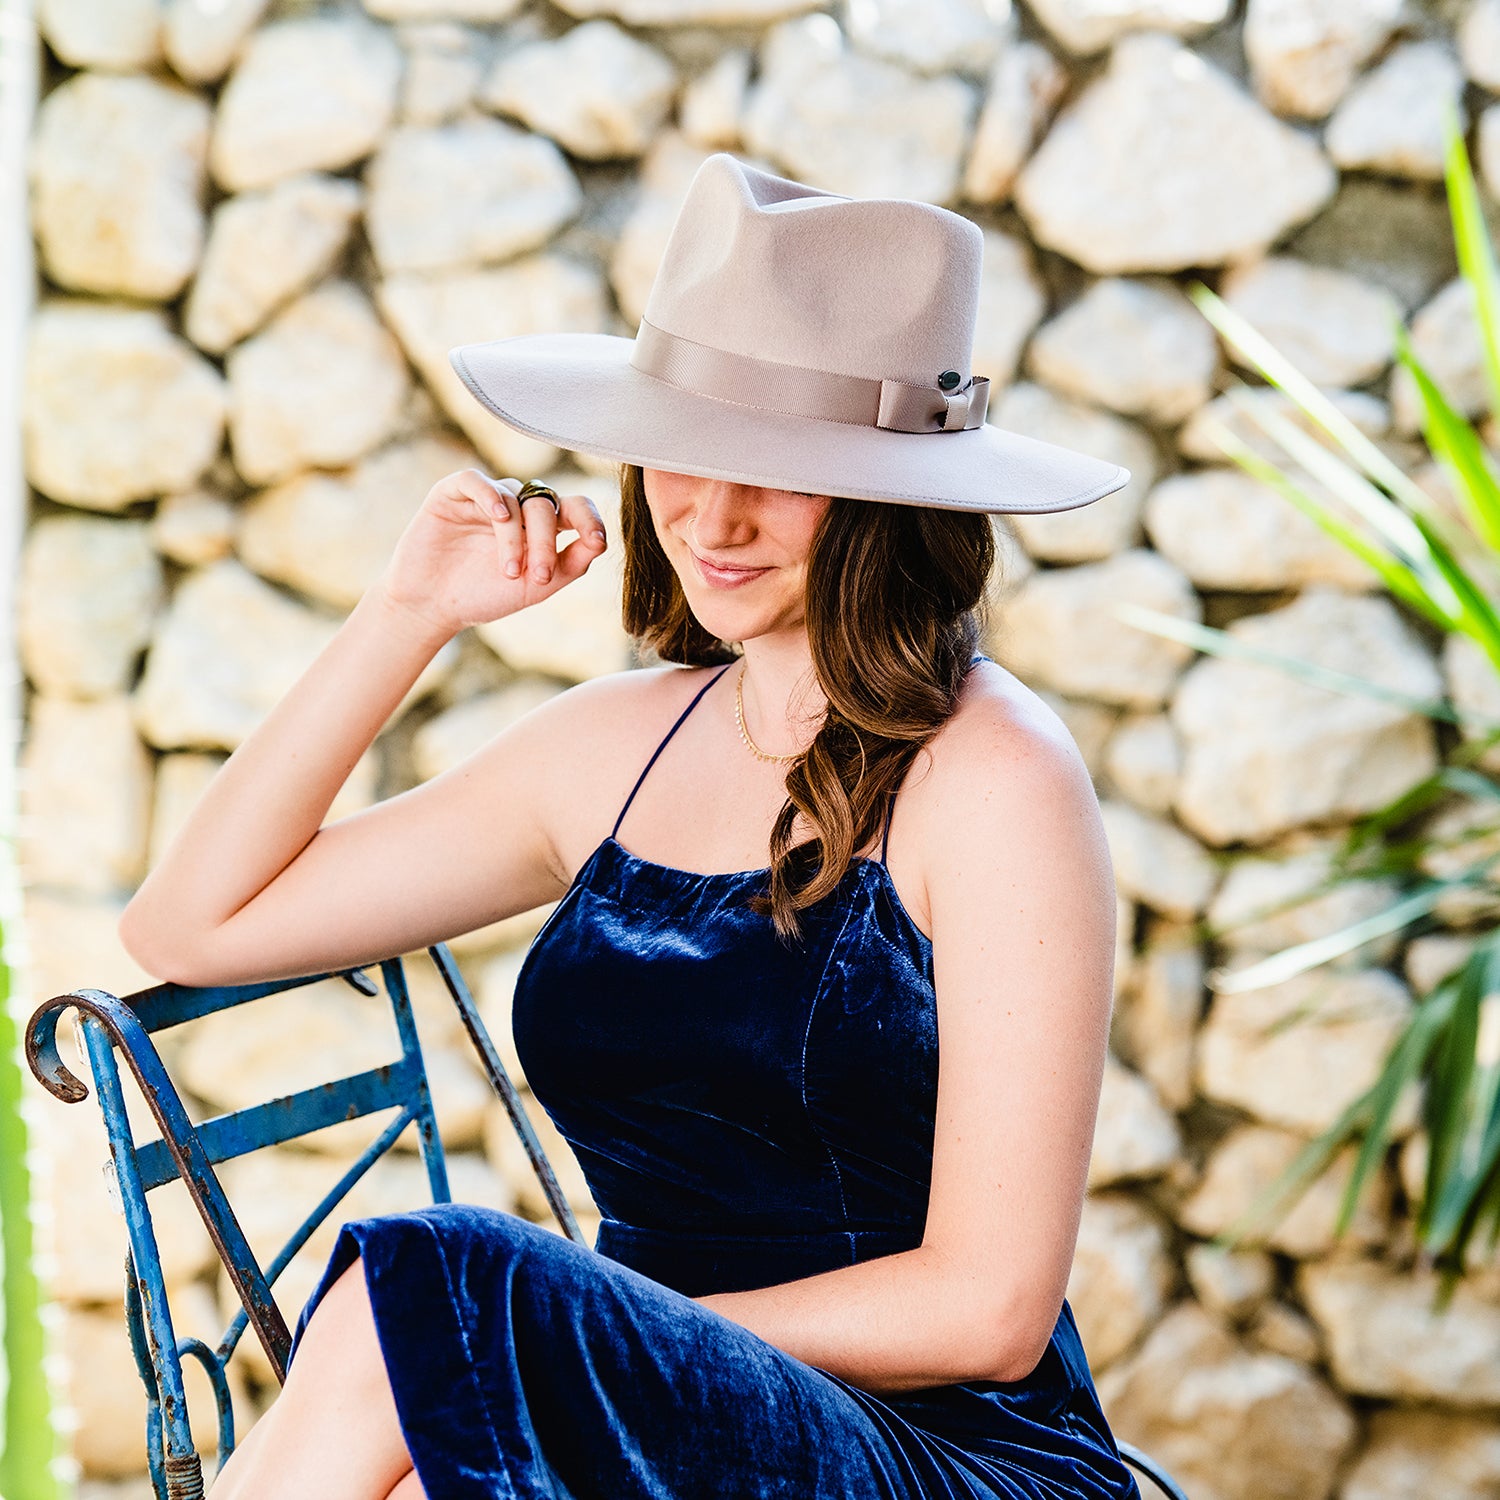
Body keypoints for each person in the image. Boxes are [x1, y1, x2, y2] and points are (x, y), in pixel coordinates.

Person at [119, 153, 1141, 1500]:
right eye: (691, 452)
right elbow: (191, 924)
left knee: (425, 1295)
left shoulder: (997, 778)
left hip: (937, 1453)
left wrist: (587, 1356)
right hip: (649, 1427)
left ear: (892, 494)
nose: (714, 517)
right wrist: (408, 615)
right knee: (440, 1380)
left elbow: (988, 1308)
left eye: (785, 473)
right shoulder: (620, 744)